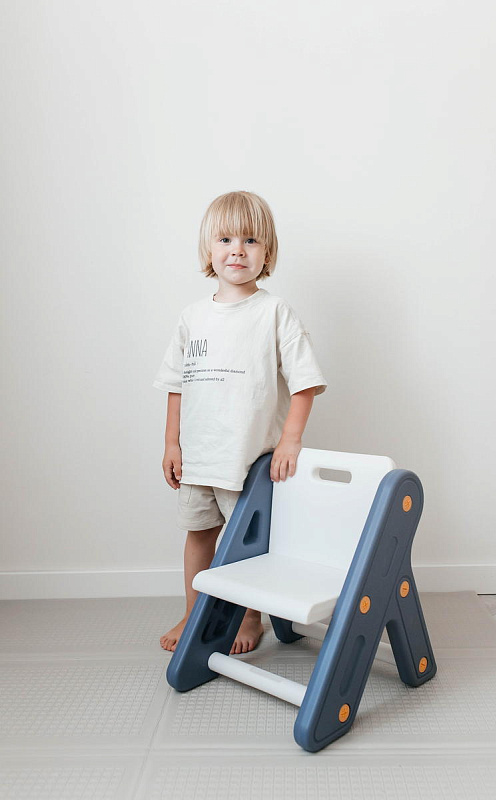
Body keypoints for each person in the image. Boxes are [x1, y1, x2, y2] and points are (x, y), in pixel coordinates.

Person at [153, 190, 328, 655]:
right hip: (198, 458)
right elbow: (176, 386)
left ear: (266, 252)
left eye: (250, 240)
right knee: (199, 535)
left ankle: (250, 614)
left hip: (247, 460)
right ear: (208, 249)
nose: (237, 250)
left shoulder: (274, 312)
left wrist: (290, 442)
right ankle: (193, 611)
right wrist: (172, 444)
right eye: (226, 239)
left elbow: (306, 382)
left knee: (245, 544)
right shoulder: (192, 317)